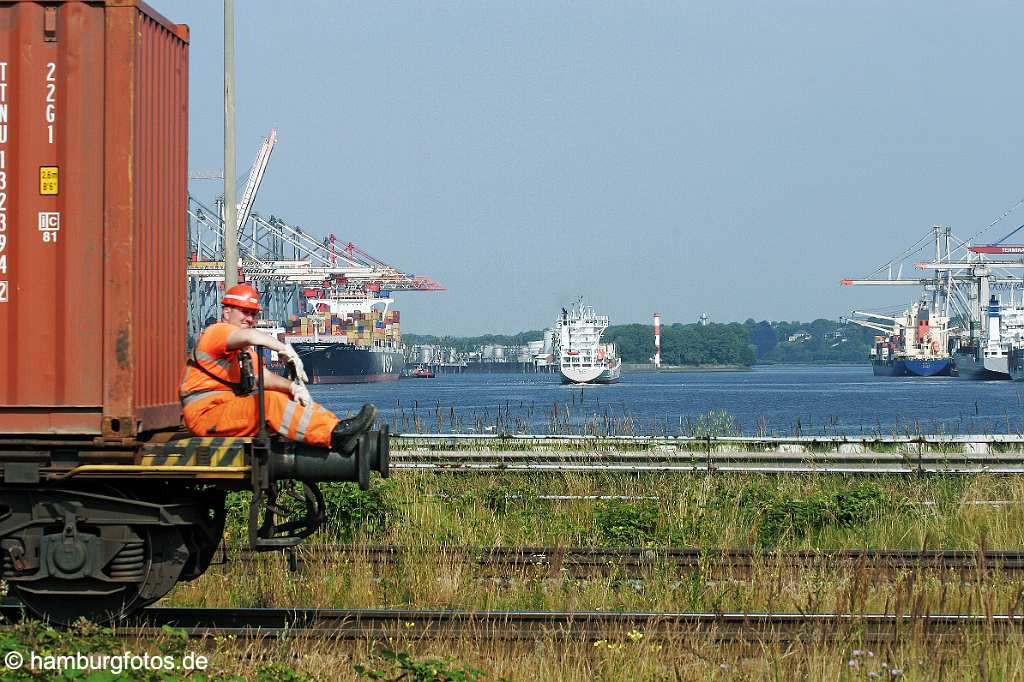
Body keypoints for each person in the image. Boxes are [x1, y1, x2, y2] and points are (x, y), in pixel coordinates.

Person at [179, 283, 376, 451]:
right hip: (204, 414)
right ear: (227, 312)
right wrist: (283, 347)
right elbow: (250, 336)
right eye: (245, 312)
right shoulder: (217, 332)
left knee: (287, 397)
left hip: (224, 409)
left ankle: (337, 428)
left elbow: (263, 377)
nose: (249, 319)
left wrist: (292, 388)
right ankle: (333, 437)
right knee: (269, 403)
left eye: (253, 314)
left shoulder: (243, 352)